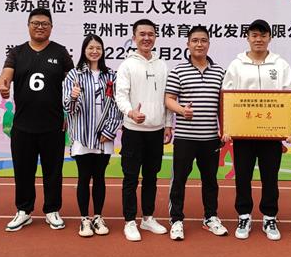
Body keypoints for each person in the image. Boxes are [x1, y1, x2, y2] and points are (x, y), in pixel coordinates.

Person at [0, 8, 74, 232]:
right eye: (35, 23)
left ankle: (52, 210)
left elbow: (73, 82)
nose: (40, 27)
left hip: (53, 125)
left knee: (53, 171)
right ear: (28, 26)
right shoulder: (17, 52)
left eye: (44, 23)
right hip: (23, 125)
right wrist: (3, 86)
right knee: (23, 170)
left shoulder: (60, 52)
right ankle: (24, 210)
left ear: (51, 27)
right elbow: (5, 77)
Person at [221, 19, 291, 241]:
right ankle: (244, 215)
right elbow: (227, 96)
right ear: (248, 38)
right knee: (242, 176)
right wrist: (227, 127)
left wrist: (289, 128)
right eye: (254, 35)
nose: (258, 39)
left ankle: (269, 217)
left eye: (263, 35)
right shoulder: (237, 65)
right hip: (243, 134)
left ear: (270, 37)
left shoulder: (280, 65)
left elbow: (289, 96)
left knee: (270, 177)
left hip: (271, 134)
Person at [164, 25, 228, 241]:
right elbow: (168, 99)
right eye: (195, 40)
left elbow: (224, 105)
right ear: (188, 44)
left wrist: (225, 129)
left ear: (209, 44)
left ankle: (210, 217)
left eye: (203, 40)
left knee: (210, 181)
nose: (199, 44)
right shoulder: (178, 71)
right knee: (179, 180)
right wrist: (182, 110)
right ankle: (176, 220)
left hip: (210, 138)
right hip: (185, 138)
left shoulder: (220, 72)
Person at [115, 19, 173, 241]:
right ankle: (130, 221)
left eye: (151, 34)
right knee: (131, 177)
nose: (146, 38)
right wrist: (130, 112)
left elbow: (167, 97)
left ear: (155, 37)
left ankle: (148, 218)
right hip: (133, 130)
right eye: (142, 34)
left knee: (151, 176)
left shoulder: (162, 65)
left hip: (156, 131)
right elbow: (121, 95)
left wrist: (167, 124)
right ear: (134, 37)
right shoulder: (127, 65)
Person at [63, 34, 122, 237]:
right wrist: (73, 97)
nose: (94, 51)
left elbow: (117, 106)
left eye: (98, 48)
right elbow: (68, 108)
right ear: (84, 50)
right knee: (83, 176)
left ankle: (98, 217)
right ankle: (84, 219)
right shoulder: (74, 74)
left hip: (104, 136)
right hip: (82, 134)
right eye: (90, 48)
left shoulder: (111, 75)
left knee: (99, 177)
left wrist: (109, 130)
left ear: (103, 51)